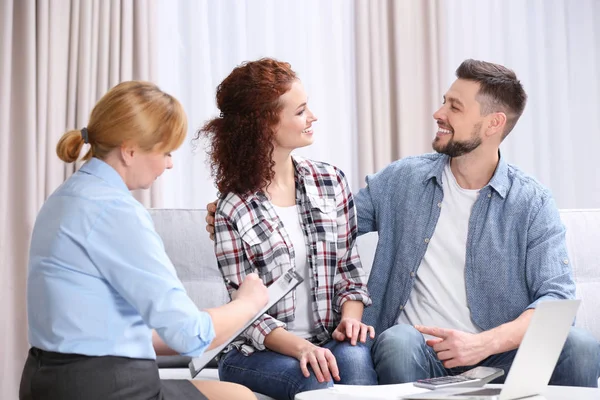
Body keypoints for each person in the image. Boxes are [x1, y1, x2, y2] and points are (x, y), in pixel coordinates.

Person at [206, 59, 600, 387]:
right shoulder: (402, 180)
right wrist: (234, 213)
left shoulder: (531, 202)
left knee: (583, 347)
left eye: (454, 108)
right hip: (417, 349)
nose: (438, 113)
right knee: (395, 342)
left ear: (494, 123)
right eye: (444, 102)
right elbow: (329, 226)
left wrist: (481, 344)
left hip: (499, 352)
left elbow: (557, 300)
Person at [20, 81, 269, 400]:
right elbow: (190, 335)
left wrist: (209, 321)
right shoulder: (116, 211)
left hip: (47, 381)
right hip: (107, 387)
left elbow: (102, 329)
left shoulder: (63, 198)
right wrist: (247, 304)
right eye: (165, 151)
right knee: (241, 397)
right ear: (130, 149)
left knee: (230, 392)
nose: (169, 163)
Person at [198, 58, 377, 400]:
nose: (313, 117)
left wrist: (351, 319)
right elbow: (245, 313)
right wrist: (299, 348)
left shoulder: (331, 181)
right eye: (301, 111)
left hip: (329, 337)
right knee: (314, 380)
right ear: (265, 124)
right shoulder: (232, 208)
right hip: (256, 351)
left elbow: (349, 272)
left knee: (355, 365)